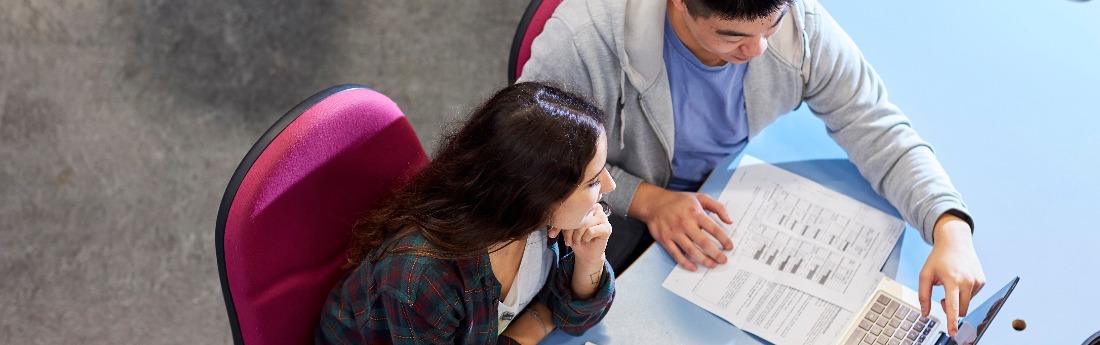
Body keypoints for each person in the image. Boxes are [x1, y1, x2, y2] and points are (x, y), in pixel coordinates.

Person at [518, 0, 984, 337]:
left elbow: (874, 125)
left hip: (712, 197)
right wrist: (647, 200)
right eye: (732, 36)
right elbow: (532, 162)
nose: (760, 50)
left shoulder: (798, 25)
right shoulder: (582, 39)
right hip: (601, 201)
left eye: (771, 25)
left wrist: (950, 227)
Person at [315, 82, 617, 344]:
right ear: (536, 196)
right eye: (592, 181)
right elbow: (556, 313)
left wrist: (589, 260)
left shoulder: (543, 221)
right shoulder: (422, 277)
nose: (610, 185)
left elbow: (575, 319)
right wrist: (532, 327)